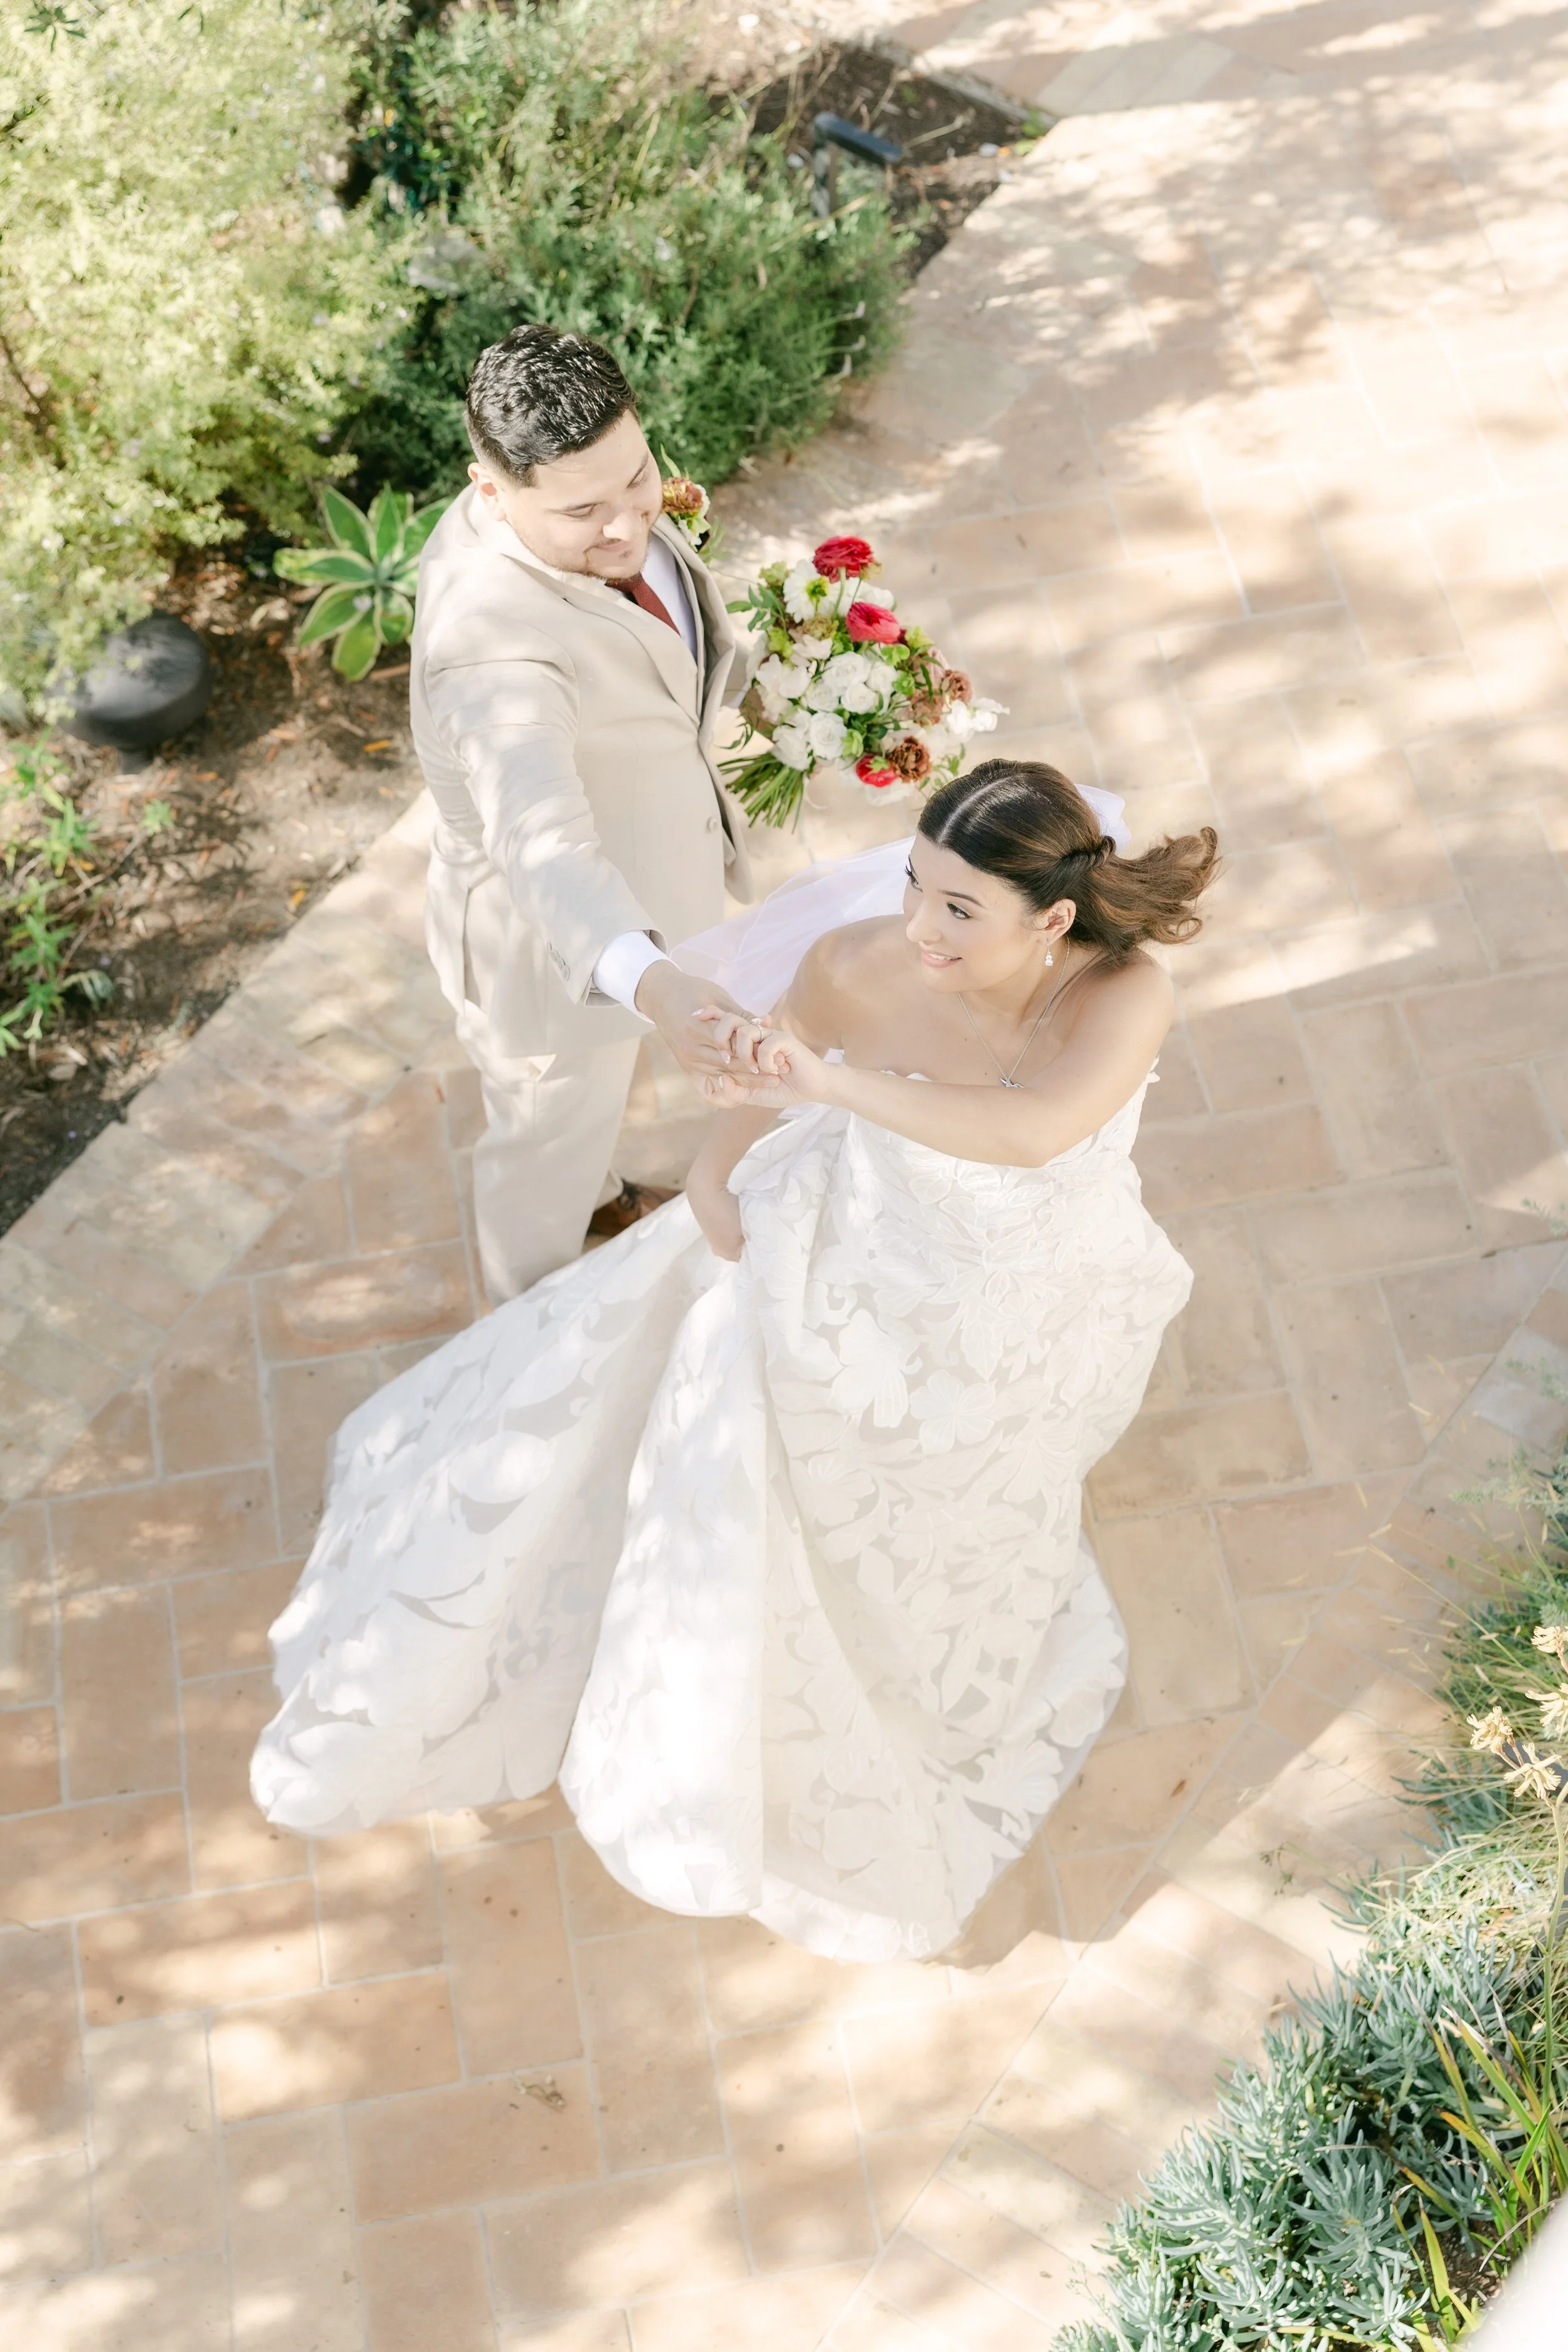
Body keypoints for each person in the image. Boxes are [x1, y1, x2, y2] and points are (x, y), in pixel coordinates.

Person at [252, 762, 1220, 1964]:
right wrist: (717, 1168)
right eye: (916, 880)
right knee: (766, 1474)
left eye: (961, 908)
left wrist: (832, 1083)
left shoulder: (1123, 994)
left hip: (1026, 1286)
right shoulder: (857, 965)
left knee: (983, 1470)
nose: (920, 924)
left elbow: (1033, 1130)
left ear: (1053, 919)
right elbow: (775, 1070)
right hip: (854, 1267)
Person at [410, 322, 757, 1303]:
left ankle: (601, 1198)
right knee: (542, 1150)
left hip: (643, 880)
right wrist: (656, 985)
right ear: (493, 491)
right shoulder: (489, 652)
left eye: (639, 478)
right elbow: (543, 844)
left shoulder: (587, 502)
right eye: (585, 512)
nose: (627, 526)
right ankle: (528, 1320)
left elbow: (659, 637)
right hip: (552, 965)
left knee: (581, 1140)